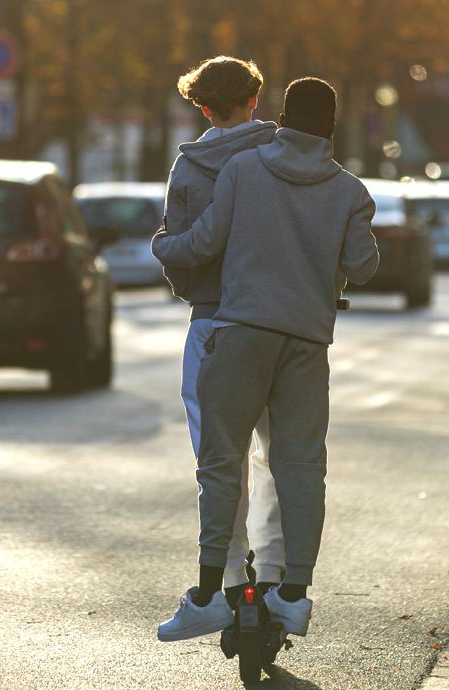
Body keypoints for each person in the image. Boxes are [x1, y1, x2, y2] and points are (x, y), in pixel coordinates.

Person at [153, 77, 379, 640]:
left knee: (221, 458)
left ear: (282, 117)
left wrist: (161, 246)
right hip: (306, 340)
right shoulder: (349, 191)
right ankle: (293, 595)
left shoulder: (244, 170)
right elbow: (365, 263)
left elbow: (203, 243)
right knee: (300, 466)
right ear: (331, 128)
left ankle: (209, 594)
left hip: (240, 331)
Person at [153, 57, 285, 643]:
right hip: (278, 325)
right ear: (255, 99)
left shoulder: (189, 165)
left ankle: (227, 581)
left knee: (217, 459)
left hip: (212, 325)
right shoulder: (282, 155)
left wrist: (192, 282)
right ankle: (278, 578)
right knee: (278, 458)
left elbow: (181, 251)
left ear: (203, 107)